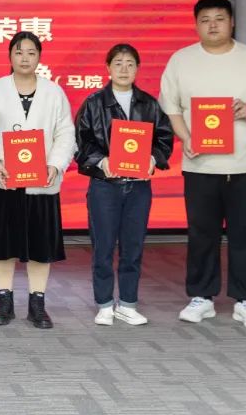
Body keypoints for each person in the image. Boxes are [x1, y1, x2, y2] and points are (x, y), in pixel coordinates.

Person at [159, 0, 246, 329]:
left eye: (219, 19)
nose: (213, 25)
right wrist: (186, 138)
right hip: (201, 166)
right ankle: (202, 297)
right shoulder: (181, 61)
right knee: (201, 233)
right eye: (205, 20)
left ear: (232, 22)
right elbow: (171, 107)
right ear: (196, 25)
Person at [0, 31, 75, 330]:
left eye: (31, 52)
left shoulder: (54, 92)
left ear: (39, 57)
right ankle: (4, 302)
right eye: (19, 52)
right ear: (10, 56)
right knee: (2, 245)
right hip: (4, 181)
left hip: (41, 183)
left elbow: (65, 133)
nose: (24, 58)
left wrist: (55, 165)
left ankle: (37, 304)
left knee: (40, 246)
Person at [75, 43, 174, 326]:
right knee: (103, 247)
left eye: (130, 64)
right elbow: (81, 142)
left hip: (138, 187)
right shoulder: (94, 103)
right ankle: (105, 304)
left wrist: (153, 159)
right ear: (108, 68)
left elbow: (164, 139)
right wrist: (101, 160)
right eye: (118, 63)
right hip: (105, 186)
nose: (124, 69)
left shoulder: (149, 104)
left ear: (138, 69)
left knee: (133, 247)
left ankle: (128, 304)